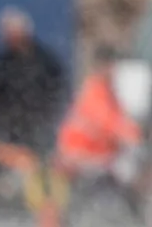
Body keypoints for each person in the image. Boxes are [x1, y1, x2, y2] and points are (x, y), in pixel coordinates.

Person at [57, 46, 141, 175]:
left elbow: (119, 118)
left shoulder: (107, 90)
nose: (114, 70)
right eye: (111, 65)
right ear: (102, 66)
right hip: (82, 156)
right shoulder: (94, 90)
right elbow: (110, 122)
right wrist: (135, 137)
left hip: (97, 155)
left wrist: (135, 133)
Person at [0, 8, 65, 154]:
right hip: (14, 128)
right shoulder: (3, 62)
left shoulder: (44, 59)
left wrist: (50, 112)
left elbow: (57, 86)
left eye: (12, 32)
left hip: (40, 123)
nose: (8, 37)